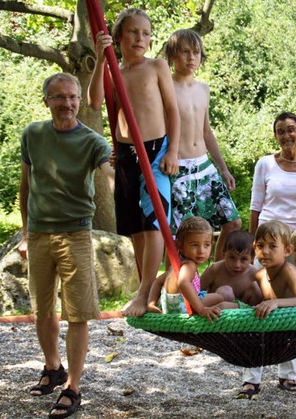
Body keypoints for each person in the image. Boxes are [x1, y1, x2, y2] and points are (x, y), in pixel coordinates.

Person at [17, 72, 114, 418]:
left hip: (76, 234)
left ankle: (73, 386)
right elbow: (26, 186)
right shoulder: (33, 135)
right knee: (42, 310)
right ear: (47, 101)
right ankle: (52, 366)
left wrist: (121, 185)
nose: (68, 103)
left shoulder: (91, 140)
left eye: (73, 97)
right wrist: (26, 233)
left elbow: (108, 169)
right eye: (59, 97)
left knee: (77, 313)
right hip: (40, 234)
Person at [88, 8, 180, 317]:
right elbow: (94, 102)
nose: (141, 38)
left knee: (154, 223)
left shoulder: (157, 67)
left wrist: (172, 151)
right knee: (135, 229)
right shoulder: (115, 72)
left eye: (146, 33)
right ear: (117, 38)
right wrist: (101, 58)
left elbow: (172, 110)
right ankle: (146, 291)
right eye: (133, 32)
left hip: (155, 150)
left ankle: (143, 295)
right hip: (126, 153)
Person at [164, 29, 242, 261]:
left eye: (196, 53)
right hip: (179, 168)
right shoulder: (165, 87)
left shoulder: (203, 89)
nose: (191, 58)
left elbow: (207, 131)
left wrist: (223, 168)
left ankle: (214, 274)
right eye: (185, 52)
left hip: (205, 166)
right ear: (172, 56)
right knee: (182, 233)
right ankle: (177, 286)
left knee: (233, 221)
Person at [236, 221, 296, 400]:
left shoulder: (288, 270)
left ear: (287, 250)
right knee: (253, 340)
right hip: (269, 322)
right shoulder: (260, 274)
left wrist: (276, 303)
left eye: (272, 246)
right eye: (261, 246)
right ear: (254, 248)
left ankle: (287, 377)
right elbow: (242, 289)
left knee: (290, 345)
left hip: (290, 321)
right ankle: (251, 381)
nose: (266, 251)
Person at [249, 112, 296, 245]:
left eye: (291, 130)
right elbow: (255, 207)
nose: (286, 136)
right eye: (280, 132)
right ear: (275, 136)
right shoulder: (264, 164)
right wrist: (252, 244)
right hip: (268, 238)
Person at [147, 217, 223, 322]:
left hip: (169, 308)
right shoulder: (189, 265)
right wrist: (201, 309)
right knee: (220, 297)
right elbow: (183, 282)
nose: (201, 251)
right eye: (195, 245)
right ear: (180, 245)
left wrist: (151, 303)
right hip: (183, 308)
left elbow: (157, 281)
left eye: (206, 245)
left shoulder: (176, 265)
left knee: (217, 297)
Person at [200, 230, 263, 305]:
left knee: (256, 289)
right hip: (217, 311)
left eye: (243, 259)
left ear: (252, 258)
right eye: (232, 257)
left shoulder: (255, 274)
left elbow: (267, 298)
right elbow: (196, 292)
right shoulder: (215, 269)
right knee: (225, 291)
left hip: (244, 313)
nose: (237, 265)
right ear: (224, 254)